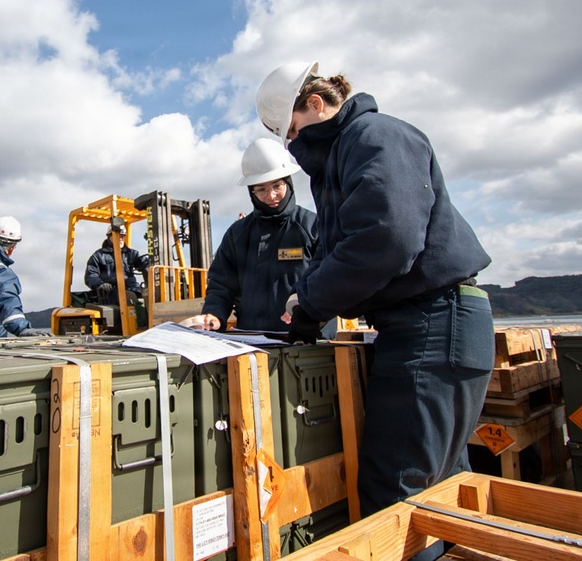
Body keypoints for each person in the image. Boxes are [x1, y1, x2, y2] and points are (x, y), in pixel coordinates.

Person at [257, 62, 494, 554]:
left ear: (317, 105)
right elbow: (336, 248)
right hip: (424, 324)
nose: (293, 149)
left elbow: (388, 238)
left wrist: (316, 299)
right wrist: (303, 303)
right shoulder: (342, 158)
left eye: (295, 133)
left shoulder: (375, 136)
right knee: (440, 481)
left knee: (397, 494)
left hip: (434, 322)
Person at [190, 138, 317, 332]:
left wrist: (309, 310)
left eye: (277, 186)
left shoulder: (312, 226)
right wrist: (214, 313)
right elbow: (221, 284)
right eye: (261, 189)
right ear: (251, 191)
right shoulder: (237, 234)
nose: (271, 195)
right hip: (252, 339)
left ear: (288, 184)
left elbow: (330, 278)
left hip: (309, 337)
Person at [84, 223, 151, 302]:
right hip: (110, 292)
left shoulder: (132, 254)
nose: (120, 239)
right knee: (129, 298)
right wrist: (100, 284)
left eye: (122, 236)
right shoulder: (98, 256)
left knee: (150, 297)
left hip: (131, 289)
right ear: (109, 237)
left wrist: (150, 265)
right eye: (118, 236)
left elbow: (145, 265)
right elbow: (91, 276)